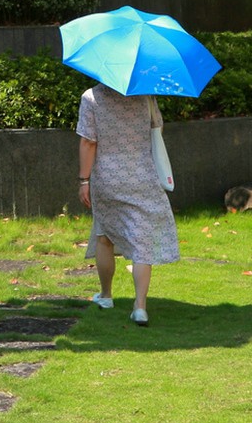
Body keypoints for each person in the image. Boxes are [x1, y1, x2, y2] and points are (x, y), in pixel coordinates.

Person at [76, 81, 180, 325]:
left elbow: (88, 142)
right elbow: (157, 127)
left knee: (104, 236)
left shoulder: (91, 97)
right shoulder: (145, 95)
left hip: (107, 178)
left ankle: (106, 295)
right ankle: (140, 307)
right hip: (143, 176)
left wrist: (83, 180)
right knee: (142, 241)